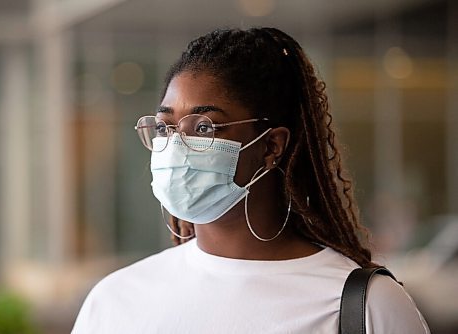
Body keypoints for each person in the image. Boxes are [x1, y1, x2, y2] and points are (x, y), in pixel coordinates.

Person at [72, 27, 429, 333]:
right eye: (166, 127)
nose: (175, 146)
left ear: (272, 146)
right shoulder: (116, 300)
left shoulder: (363, 306)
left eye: (204, 128)